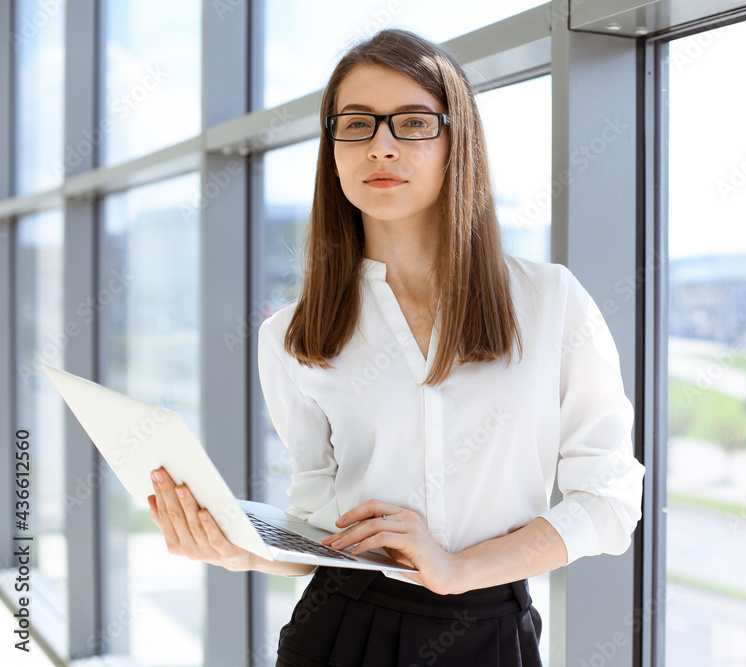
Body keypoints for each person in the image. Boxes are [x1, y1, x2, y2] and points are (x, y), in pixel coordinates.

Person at [147, 28, 644, 666]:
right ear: (331, 149)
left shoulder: (550, 302)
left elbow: (608, 498)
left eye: (411, 123)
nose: (380, 145)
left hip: (491, 629)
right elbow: (323, 523)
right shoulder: (294, 334)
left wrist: (457, 568)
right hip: (340, 630)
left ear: (455, 140)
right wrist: (247, 549)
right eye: (355, 125)